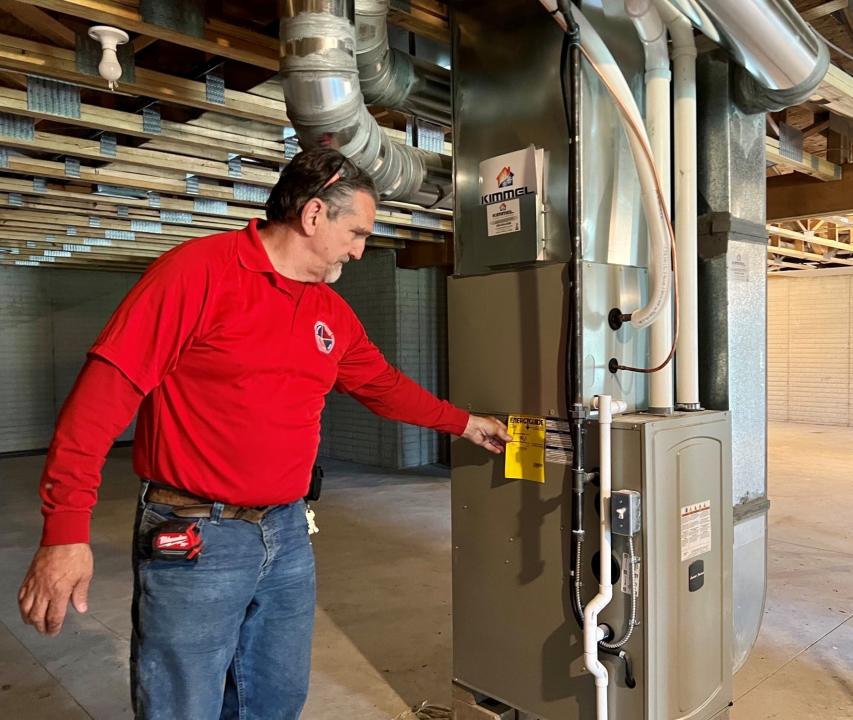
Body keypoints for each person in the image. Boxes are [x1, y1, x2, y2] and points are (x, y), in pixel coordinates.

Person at [17, 147, 511, 719]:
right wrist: (64, 531)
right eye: (357, 232)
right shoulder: (197, 273)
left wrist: (465, 423)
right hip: (196, 534)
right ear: (314, 215)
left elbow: (382, 385)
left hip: (286, 531)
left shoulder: (330, 311)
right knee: (183, 703)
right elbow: (97, 403)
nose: (359, 248)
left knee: (274, 697)